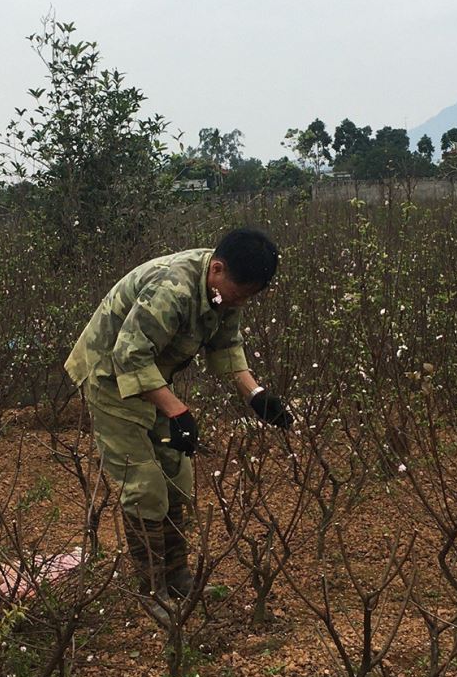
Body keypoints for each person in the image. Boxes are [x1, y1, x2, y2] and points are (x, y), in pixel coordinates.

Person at [64, 228, 294, 611]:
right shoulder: (172, 288)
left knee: (176, 475)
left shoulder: (225, 291)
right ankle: (151, 589)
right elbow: (129, 357)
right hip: (109, 377)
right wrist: (178, 411)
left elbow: (226, 344)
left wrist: (256, 396)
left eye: (244, 298)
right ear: (217, 268)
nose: (234, 304)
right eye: (235, 295)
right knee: (143, 483)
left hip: (153, 378)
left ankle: (178, 576)